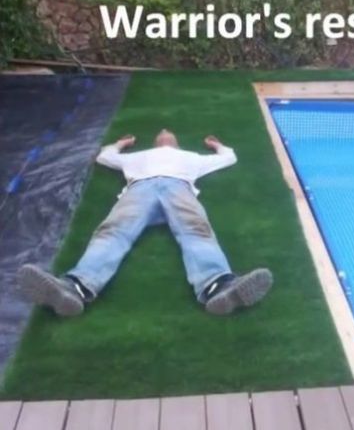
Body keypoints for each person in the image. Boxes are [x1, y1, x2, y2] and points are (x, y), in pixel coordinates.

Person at [18, 129, 273, 317]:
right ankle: (75, 287)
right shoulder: (137, 157)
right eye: (161, 133)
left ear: (176, 142)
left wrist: (217, 145)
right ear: (156, 142)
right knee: (112, 232)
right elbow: (105, 156)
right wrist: (121, 144)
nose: (164, 132)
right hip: (140, 189)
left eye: (168, 133)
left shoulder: (192, 157)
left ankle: (219, 286)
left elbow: (229, 157)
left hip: (178, 187)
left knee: (197, 231)